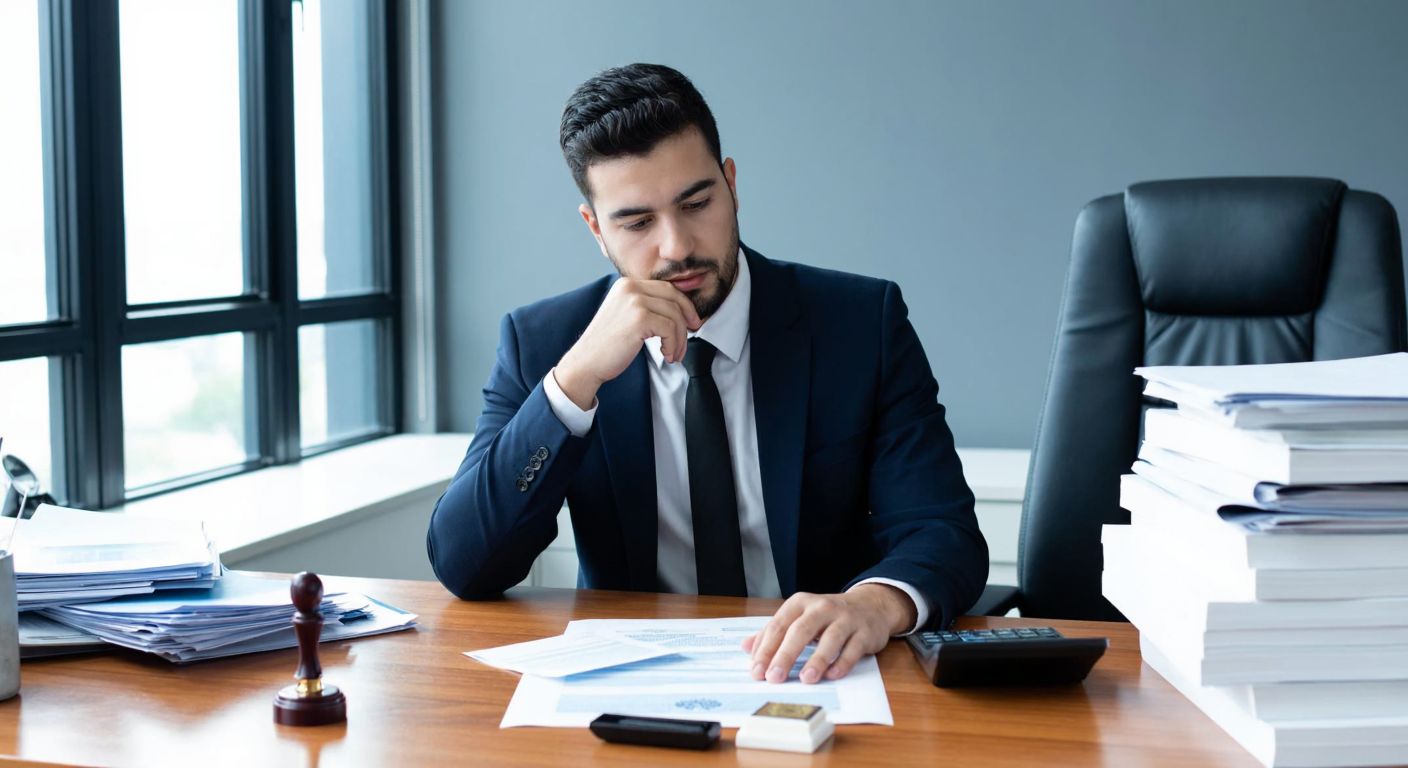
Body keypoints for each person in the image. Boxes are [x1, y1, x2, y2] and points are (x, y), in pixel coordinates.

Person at [428, 63, 987, 684]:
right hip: (633, 689)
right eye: (637, 223)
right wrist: (574, 382)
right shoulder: (544, 344)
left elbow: (944, 531)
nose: (675, 247)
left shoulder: (859, 324)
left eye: (697, 203)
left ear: (731, 185)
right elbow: (465, 564)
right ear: (595, 229)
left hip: (818, 680)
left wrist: (873, 603)